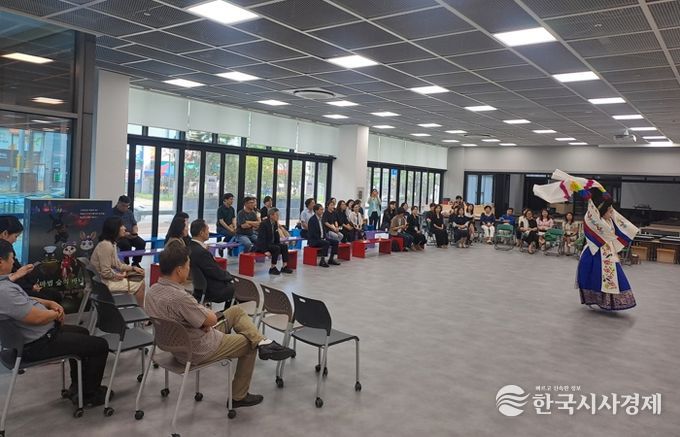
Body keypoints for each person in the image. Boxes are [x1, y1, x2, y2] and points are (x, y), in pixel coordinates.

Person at [144, 244, 295, 409]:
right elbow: (209, 320)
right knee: (248, 343)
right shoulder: (180, 297)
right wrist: (203, 320)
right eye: (188, 266)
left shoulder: (152, 291)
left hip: (178, 343)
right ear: (179, 270)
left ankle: (263, 343)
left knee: (235, 311)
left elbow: (187, 320)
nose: (189, 269)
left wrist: (201, 321)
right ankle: (239, 395)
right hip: (198, 348)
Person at [0, 239, 110, 407]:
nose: (13, 262)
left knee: (82, 333)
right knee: (100, 345)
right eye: (11, 258)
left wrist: (48, 303)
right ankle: (89, 395)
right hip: (37, 343)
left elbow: (25, 300)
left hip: (35, 336)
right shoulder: (4, 291)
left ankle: (79, 387)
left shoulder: (5, 283)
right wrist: (56, 313)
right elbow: (37, 318)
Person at [533, 170, 638, 311]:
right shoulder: (593, 219)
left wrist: (603, 192)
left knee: (612, 277)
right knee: (594, 276)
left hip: (608, 253)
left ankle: (610, 301)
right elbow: (593, 211)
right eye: (609, 211)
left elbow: (615, 217)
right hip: (595, 251)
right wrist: (585, 195)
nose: (611, 213)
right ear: (602, 212)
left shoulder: (609, 220)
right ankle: (595, 299)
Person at [0, 216, 62, 303]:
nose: (15, 240)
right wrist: (30, 287)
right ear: (5, 233)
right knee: (49, 300)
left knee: (55, 295)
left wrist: (32, 284)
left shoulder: (8, 248)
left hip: (20, 286)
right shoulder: (5, 250)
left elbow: (16, 269)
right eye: (16, 236)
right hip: (11, 290)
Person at [90, 217, 146, 306]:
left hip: (102, 281)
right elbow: (105, 273)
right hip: (103, 284)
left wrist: (133, 268)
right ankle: (140, 312)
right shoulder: (106, 245)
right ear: (114, 228)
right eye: (121, 225)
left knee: (138, 277)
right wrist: (118, 276)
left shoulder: (111, 243)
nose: (125, 228)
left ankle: (137, 310)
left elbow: (118, 265)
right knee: (141, 284)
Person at [188, 219, 235, 303]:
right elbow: (216, 272)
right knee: (238, 289)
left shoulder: (189, 248)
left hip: (198, 287)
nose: (209, 232)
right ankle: (230, 310)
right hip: (211, 290)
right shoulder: (202, 253)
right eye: (207, 229)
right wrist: (230, 277)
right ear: (201, 233)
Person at [254, 209, 294, 275]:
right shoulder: (264, 224)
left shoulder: (274, 223)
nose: (278, 216)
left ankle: (284, 266)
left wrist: (279, 244)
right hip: (263, 246)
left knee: (284, 246)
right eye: (277, 215)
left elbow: (276, 236)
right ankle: (272, 268)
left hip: (272, 244)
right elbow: (261, 239)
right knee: (276, 248)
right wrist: (265, 250)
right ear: (271, 215)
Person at [111, 195, 146, 267]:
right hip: (118, 236)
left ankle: (136, 262)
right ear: (118, 203)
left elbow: (134, 224)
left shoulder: (129, 212)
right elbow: (111, 228)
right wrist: (124, 234)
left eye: (127, 206)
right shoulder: (111, 212)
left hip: (130, 234)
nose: (125, 208)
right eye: (123, 206)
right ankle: (125, 264)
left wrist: (134, 232)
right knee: (126, 245)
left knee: (141, 243)